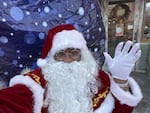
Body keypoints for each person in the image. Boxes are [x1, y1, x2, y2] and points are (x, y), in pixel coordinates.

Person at [0, 24, 142, 113]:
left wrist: (120, 79)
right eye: (61, 54)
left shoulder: (99, 79)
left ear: (83, 56)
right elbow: (7, 102)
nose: (68, 60)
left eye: (74, 53)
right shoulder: (34, 84)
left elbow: (122, 109)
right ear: (50, 59)